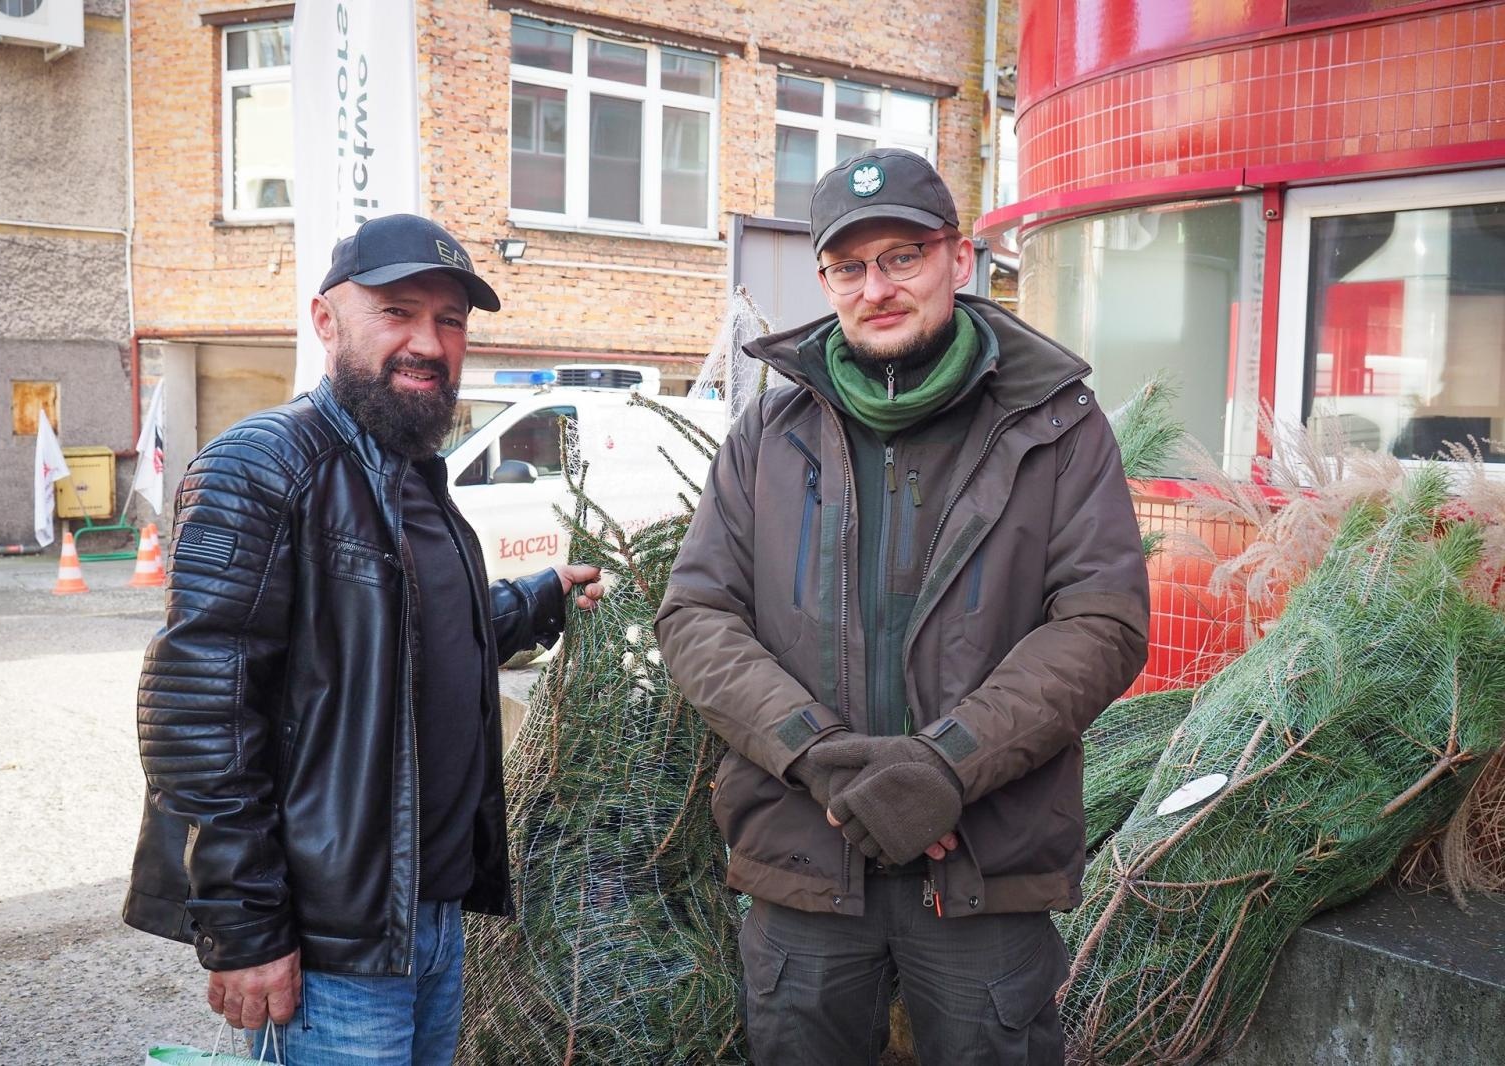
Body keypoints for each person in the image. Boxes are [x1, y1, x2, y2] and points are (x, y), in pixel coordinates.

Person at [655, 150, 1149, 1064]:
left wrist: (948, 765)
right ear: (825, 282)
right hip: (806, 862)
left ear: (959, 259)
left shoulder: (1057, 423)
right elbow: (695, 616)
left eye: (902, 257)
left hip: (981, 876)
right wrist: (817, 754)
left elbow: (1102, 621)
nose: (876, 288)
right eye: (849, 266)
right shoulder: (768, 434)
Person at [124, 213, 603, 1064]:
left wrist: (538, 600)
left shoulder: (414, 475)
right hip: (331, 944)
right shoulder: (265, 465)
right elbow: (200, 712)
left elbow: (403, 643)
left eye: (449, 320)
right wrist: (246, 924)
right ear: (325, 320)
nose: (429, 342)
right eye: (396, 311)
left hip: (429, 919)